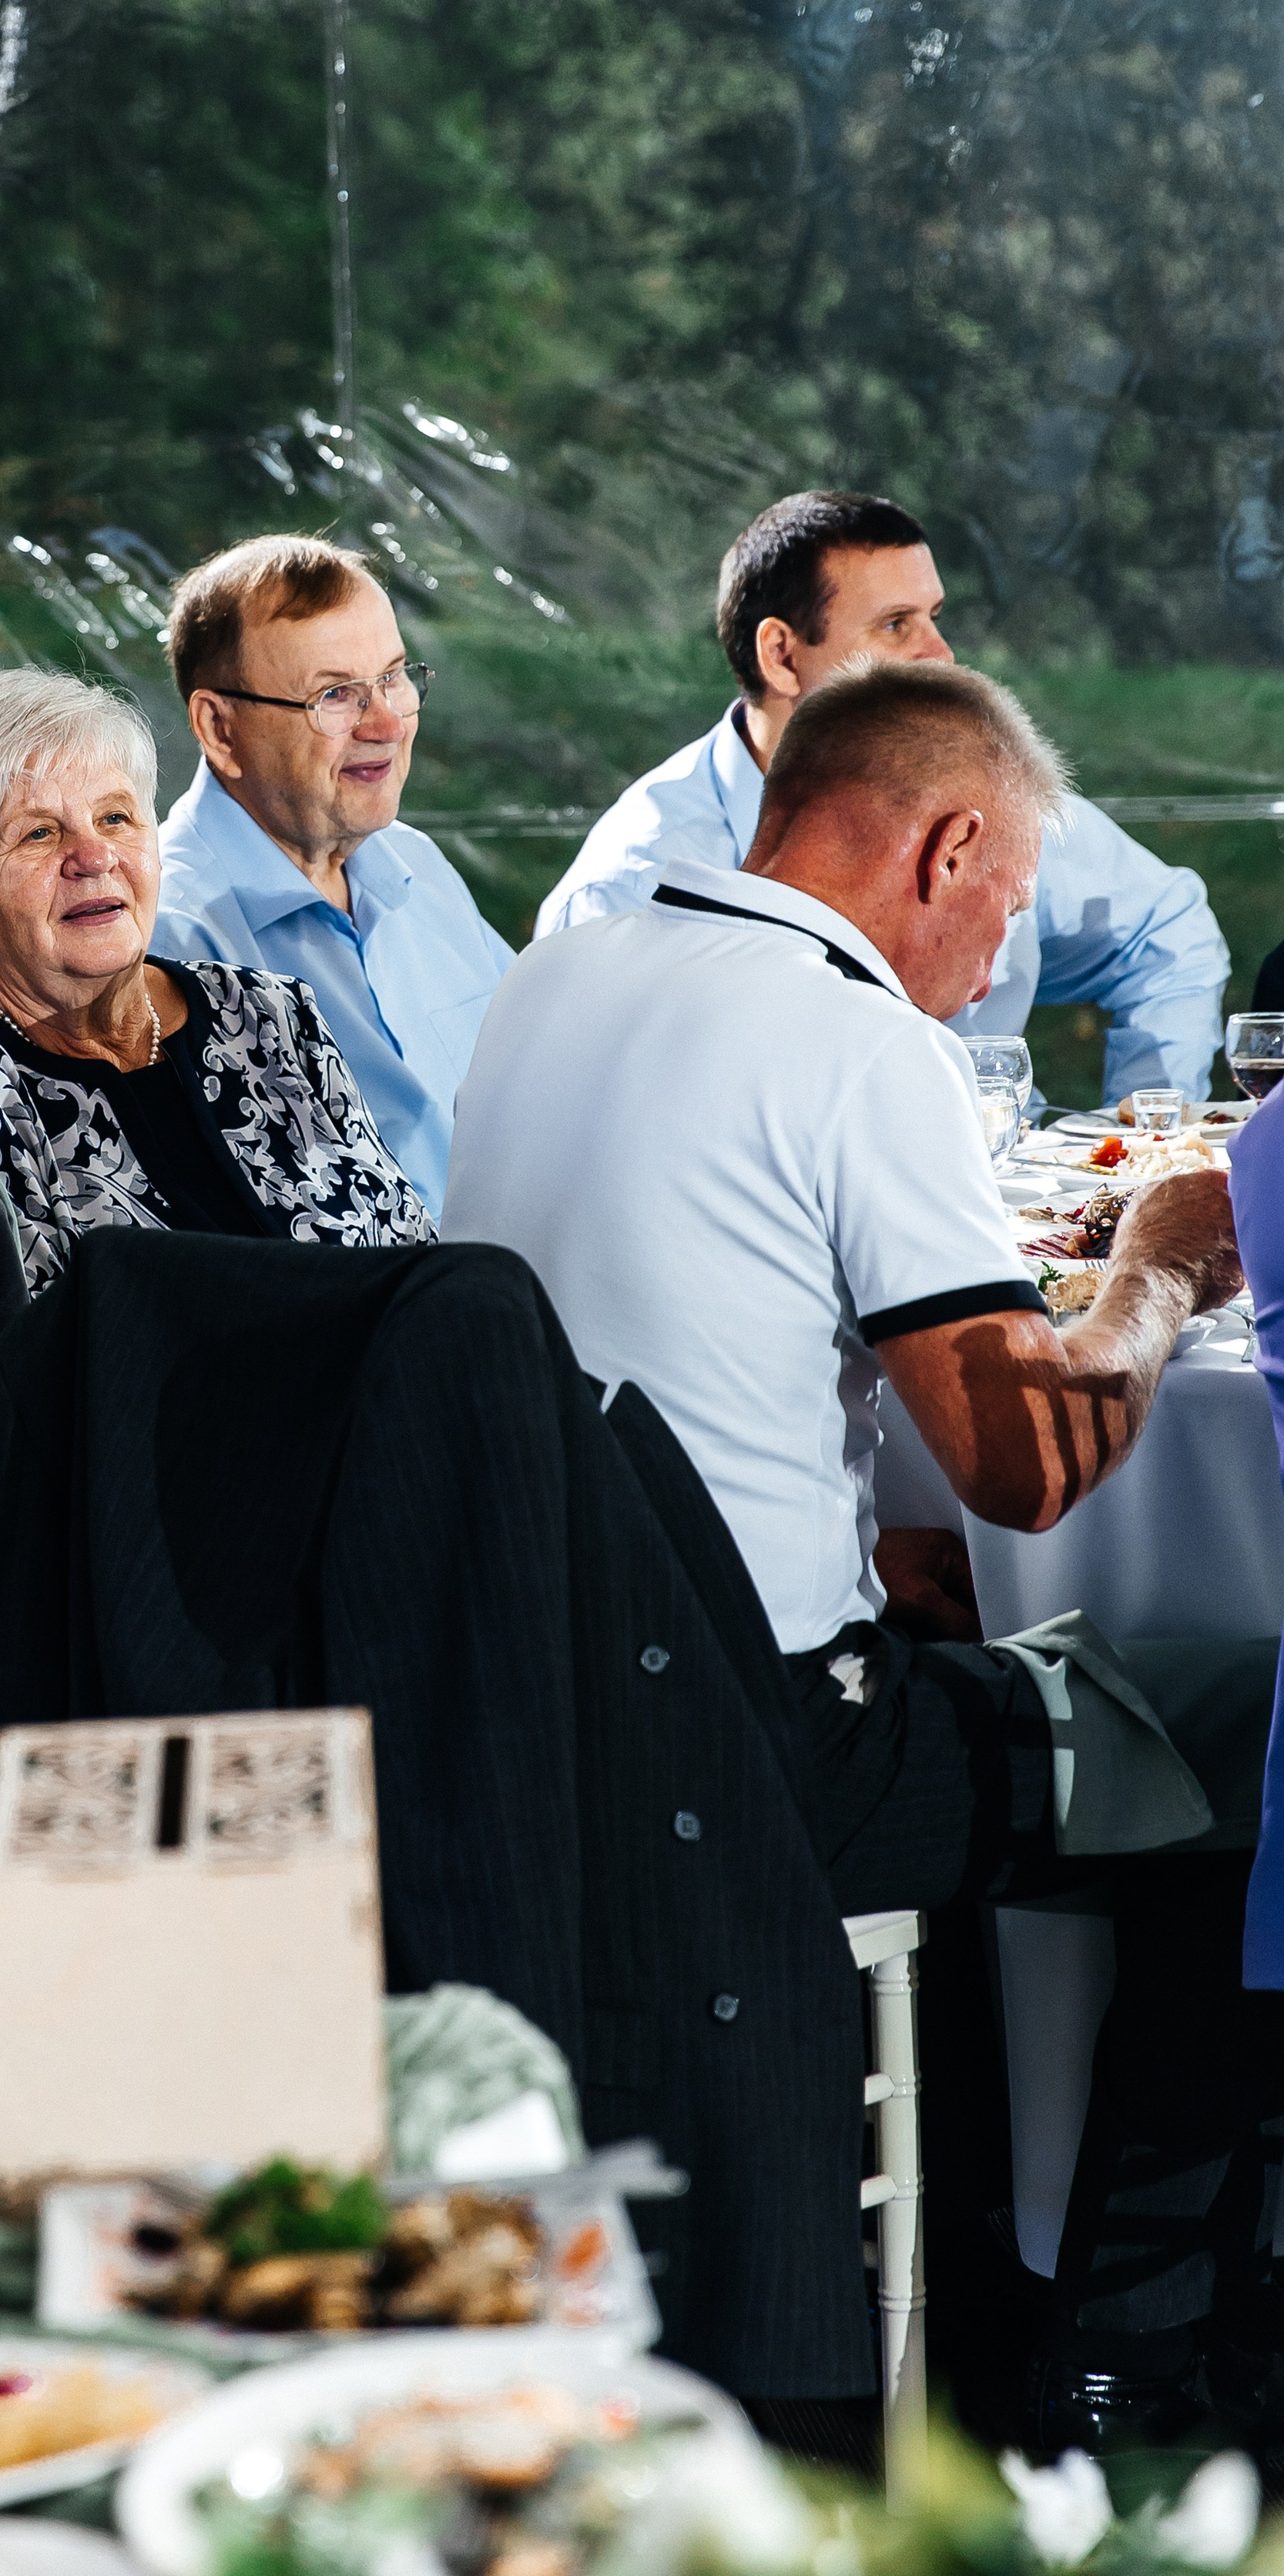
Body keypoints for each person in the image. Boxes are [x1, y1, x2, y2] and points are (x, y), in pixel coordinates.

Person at [446, 658, 1280, 2446]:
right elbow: (1028, 1463)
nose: (998, 970)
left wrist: (849, 1531)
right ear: (948, 842)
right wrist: (1150, 1268)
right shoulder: (855, 1035)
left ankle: (1024, 2222)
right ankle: (1126, 2335)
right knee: (1264, 1743)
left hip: (524, 1698)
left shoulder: (559, 967)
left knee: (1052, 1674)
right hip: (766, 1757)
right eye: (1006, 909)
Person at [535, 490, 1229, 1106]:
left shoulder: (987, 800)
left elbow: (1167, 931)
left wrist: (1140, 1139)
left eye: (934, 616)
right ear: (780, 654)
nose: (942, 655)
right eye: (896, 624)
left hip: (1005, 1202)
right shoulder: (633, 887)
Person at [0, 671, 431, 1292]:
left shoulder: (271, 1014)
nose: (94, 856)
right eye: (39, 833)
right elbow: (5, 1365)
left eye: (115, 817)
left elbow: (409, 1247)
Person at [151, 534, 513, 1223]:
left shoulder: (419, 869)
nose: (385, 723)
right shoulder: (170, 938)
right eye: (336, 694)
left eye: (395, 677)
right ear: (220, 729)